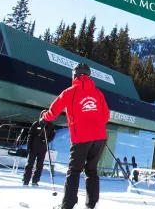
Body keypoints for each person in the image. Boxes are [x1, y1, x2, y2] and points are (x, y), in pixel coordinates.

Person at [41, 63, 110, 209]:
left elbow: (54, 111)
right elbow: (105, 115)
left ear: (74, 75)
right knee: (91, 170)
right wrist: (95, 127)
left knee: (74, 171)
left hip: (81, 138)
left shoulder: (69, 92)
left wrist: (44, 118)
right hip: (99, 138)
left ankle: (68, 205)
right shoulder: (98, 93)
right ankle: (91, 204)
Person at [23, 110, 55, 186]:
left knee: (39, 165)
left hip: (42, 148)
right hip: (33, 147)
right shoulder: (36, 124)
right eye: (43, 115)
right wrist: (28, 146)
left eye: (46, 115)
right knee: (29, 164)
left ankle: (35, 180)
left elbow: (52, 135)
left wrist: (47, 140)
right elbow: (30, 135)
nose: (44, 116)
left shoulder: (50, 125)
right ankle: (26, 180)